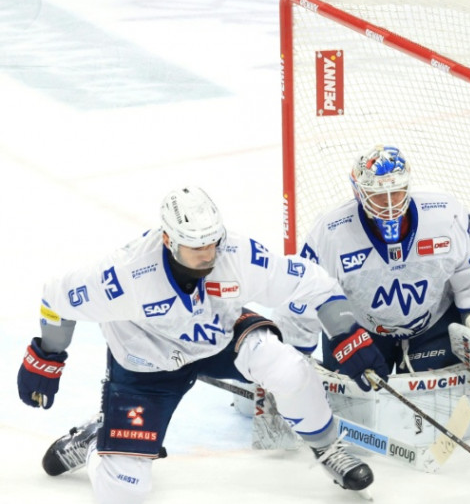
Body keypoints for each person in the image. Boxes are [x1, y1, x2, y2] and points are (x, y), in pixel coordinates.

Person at [17, 186, 387, 503]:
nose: (209, 254)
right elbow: (56, 297)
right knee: (124, 492)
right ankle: (101, 439)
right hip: (146, 366)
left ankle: (326, 447)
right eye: (196, 246)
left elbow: (312, 282)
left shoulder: (236, 254)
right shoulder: (124, 275)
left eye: (213, 241)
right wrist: (46, 357)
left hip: (220, 340)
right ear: (168, 239)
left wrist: (346, 334)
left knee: (289, 369)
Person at [273, 145, 470, 453]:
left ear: (408, 187)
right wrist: (287, 362)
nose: (388, 205)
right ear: (358, 193)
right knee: (353, 404)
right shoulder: (331, 232)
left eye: (395, 194)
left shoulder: (445, 215)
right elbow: (303, 293)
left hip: (432, 327)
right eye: (377, 196)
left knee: (446, 400)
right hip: (361, 332)